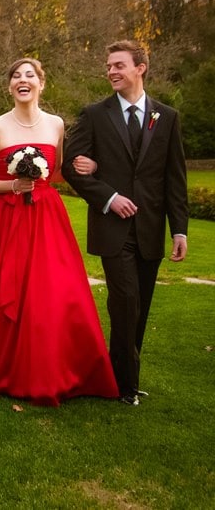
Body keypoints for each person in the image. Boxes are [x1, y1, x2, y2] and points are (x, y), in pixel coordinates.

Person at [0, 58, 118, 406]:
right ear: (10, 86)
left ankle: (51, 369)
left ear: (41, 84)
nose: (22, 80)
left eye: (30, 75)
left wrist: (90, 166)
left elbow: (58, 173)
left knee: (51, 289)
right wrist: (14, 184)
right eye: (16, 76)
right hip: (4, 216)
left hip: (46, 217)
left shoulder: (57, 125)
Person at [62, 40, 188, 407]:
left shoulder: (167, 117)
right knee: (126, 300)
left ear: (140, 68)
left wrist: (178, 229)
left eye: (118, 65)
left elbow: (174, 180)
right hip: (112, 228)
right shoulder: (94, 114)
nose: (112, 72)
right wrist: (108, 197)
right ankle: (126, 386)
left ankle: (124, 377)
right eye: (109, 67)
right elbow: (72, 166)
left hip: (150, 229)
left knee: (141, 303)